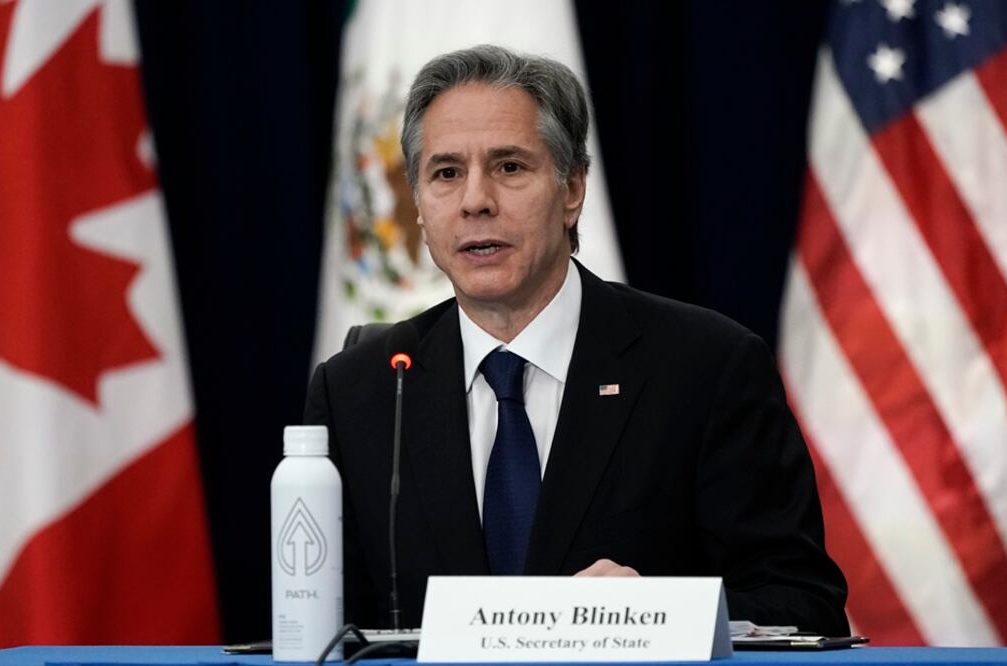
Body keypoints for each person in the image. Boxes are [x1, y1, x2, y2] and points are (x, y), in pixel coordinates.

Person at [304, 44, 848, 635]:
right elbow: (320, 626)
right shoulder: (360, 391)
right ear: (417, 204)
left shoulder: (707, 367)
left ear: (572, 190)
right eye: (446, 173)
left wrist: (655, 611)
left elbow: (803, 604)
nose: (475, 201)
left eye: (510, 167)